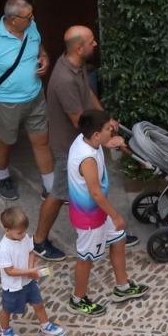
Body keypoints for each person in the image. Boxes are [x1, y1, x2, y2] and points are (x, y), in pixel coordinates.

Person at [32, 23, 131, 261]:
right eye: (91, 41)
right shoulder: (65, 79)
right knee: (58, 193)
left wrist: (106, 119)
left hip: (83, 140)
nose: (95, 44)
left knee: (94, 187)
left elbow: (87, 93)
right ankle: (39, 241)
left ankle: (110, 231)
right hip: (70, 146)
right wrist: (107, 140)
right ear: (79, 48)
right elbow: (80, 121)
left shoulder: (76, 65)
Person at [65, 111, 149, 315]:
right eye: (107, 129)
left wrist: (108, 142)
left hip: (98, 213)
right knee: (86, 257)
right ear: (95, 135)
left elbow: (98, 136)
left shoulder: (85, 139)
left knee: (118, 240)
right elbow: (95, 192)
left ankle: (122, 288)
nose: (111, 130)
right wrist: (116, 216)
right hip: (90, 217)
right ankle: (78, 299)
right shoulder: (87, 159)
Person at [0, 0, 52, 202]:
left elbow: (39, 46)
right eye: (28, 17)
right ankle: (2, 176)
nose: (32, 19)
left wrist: (44, 57)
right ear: (13, 19)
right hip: (7, 101)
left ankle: (50, 186)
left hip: (35, 96)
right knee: (6, 141)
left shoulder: (30, 27)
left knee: (41, 140)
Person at [0, 205, 66, 336]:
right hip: (12, 286)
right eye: (20, 232)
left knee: (38, 303)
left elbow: (31, 251)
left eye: (25, 231)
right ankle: (4, 330)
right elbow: (9, 271)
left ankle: (45, 325)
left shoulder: (25, 237)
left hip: (28, 282)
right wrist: (29, 272)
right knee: (7, 309)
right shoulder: (3, 249)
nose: (24, 234)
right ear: (7, 230)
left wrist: (31, 268)